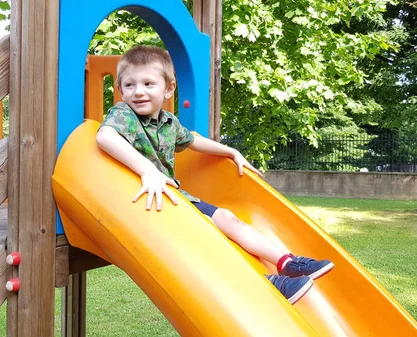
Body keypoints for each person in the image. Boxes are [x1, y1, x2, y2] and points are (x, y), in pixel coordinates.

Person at [96, 45, 334, 304]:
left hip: (175, 196)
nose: (138, 91)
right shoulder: (124, 115)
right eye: (129, 85)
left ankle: (285, 262)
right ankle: (266, 285)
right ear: (120, 90)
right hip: (150, 203)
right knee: (208, 234)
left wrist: (231, 151)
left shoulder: (168, 122)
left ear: (168, 89)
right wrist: (147, 171)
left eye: (148, 83)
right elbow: (105, 136)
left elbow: (193, 142)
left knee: (227, 218)